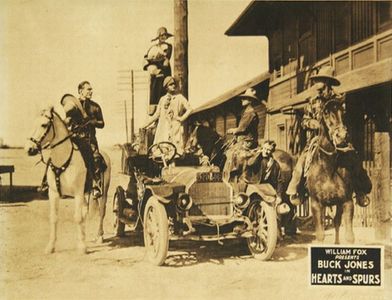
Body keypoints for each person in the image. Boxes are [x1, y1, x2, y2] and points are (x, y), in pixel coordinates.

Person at [286, 67, 371, 207]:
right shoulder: (313, 101)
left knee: (354, 159)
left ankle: (361, 191)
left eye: (321, 84)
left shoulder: (339, 99)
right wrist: (310, 122)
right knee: (301, 162)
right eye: (317, 84)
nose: (318, 88)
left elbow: (346, 117)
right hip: (317, 138)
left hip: (338, 136)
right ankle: (297, 191)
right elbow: (304, 120)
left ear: (327, 83)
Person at [61, 81, 106, 197]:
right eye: (88, 89)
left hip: (89, 139)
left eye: (91, 89)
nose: (91, 91)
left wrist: (92, 121)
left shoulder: (95, 107)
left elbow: (102, 123)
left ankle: (96, 185)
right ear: (81, 91)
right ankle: (51, 183)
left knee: (95, 158)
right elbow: (68, 119)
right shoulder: (72, 105)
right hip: (75, 138)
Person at [144, 76, 192, 155]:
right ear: (166, 87)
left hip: (175, 127)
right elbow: (157, 114)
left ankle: (172, 166)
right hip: (163, 128)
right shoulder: (162, 99)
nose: (173, 86)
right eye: (170, 84)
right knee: (162, 151)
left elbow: (190, 109)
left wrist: (181, 118)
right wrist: (146, 124)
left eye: (174, 84)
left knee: (174, 151)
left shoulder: (179, 97)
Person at [223, 88, 260, 182]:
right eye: (243, 98)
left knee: (232, 153)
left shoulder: (249, 112)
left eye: (245, 98)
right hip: (244, 138)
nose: (242, 100)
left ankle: (235, 176)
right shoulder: (247, 111)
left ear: (250, 100)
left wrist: (233, 130)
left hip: (248, 140)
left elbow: (242, 128)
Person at [143, 27, 173, 109]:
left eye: (165, 35)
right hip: (154, 72)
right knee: (154, 90)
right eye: (162, 35)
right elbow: (146, 59)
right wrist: (150, 65)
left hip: (164, 70)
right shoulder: (153, 47)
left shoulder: (168, 46)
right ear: (158, 37)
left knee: (164, 88)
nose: (164, 37)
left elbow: (166, 59)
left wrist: (161, 57)